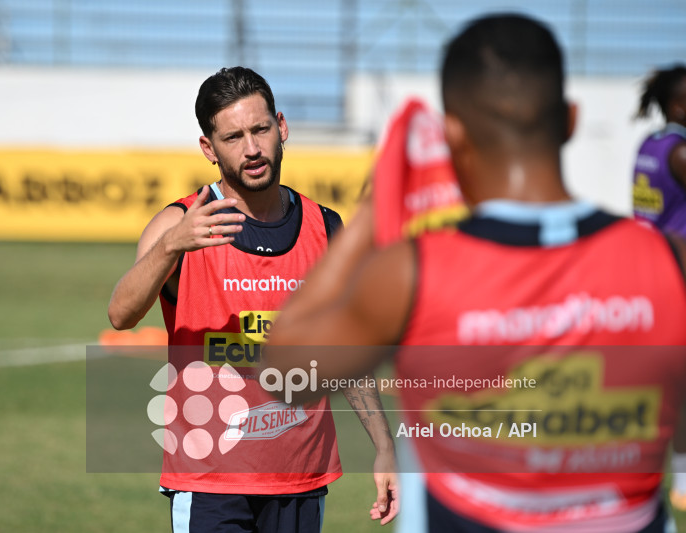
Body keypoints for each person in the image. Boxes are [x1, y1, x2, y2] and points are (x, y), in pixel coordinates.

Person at [265, 14, 686, 532]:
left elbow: (285, 374)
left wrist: (373, 213)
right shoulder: (670, 262)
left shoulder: (410, 272)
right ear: (570, 120)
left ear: (453, 134)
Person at [108, 66, 397, 532]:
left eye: (260, 129)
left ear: (281, 127)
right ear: (209, 148)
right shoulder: (180, 224)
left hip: (301, 479)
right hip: (209, 483)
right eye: (233, 137)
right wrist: (170, 246)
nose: (252, 149)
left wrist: (384, 446)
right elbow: (120, 315)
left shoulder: (326, 228)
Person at [632, 64, 686, 238]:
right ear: (678, 108)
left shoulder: (648, 144)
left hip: (650, 251)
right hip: (678, 258)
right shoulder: (680, 153)